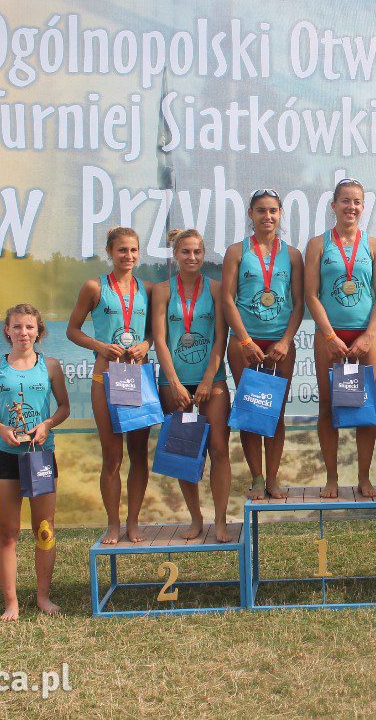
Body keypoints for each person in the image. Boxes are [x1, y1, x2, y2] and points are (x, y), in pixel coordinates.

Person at [0, 303, 70, 620]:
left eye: (29, 327)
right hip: (6, 457)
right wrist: (0, 428)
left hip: (40, 456)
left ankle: (43, 597)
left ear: (39, 331)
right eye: (17, 326)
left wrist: (47, 425)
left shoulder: (51, 366)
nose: (23, 333)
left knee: (44, 529)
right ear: (7, 330)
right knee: (8, 531)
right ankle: (11, 603)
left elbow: (64, 408)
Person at [66, 226, 153, 544]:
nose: (128, 256)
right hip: (106, 377)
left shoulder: (148, 290)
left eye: (133, 250)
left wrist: (146, 344)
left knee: (139, 455)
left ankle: (133, 521)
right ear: (109, 252)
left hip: (138, 377)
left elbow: (154, 332)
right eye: (122, 250)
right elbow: (72, 330)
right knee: (113, 457)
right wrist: (100, 346)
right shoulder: (94, 287)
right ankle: (113, 523)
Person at [305, 178, 376, 499]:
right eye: (345, 201)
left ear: (363, 207)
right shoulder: (318, 245)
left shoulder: (374, 246)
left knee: (365, 405)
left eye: (356, 202)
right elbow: (311, 295)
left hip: (365, 337)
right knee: (328, 406)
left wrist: (369, 335)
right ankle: (332, 478)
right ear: (334, 205)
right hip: (330, 336)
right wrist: (328, 335)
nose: (351, 207)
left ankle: (364, 477)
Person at [150, 229, 234, 542]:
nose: (192, 257)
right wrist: (174, 382)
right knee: (184, 452)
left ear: (203, 254)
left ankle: (221, 519)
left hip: (212, 379)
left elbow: (221, 337)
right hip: (174, 382)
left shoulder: (216, 288)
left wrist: (209, 379)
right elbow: (160, 340)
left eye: (197, 252)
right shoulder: (162, 291)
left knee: (219, 449)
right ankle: (196, 518)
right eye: (185, 252)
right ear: (175, 255)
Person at [222, 190, 305, 500]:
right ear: (251, 214)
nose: (267, 216)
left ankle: (273, 478)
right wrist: (244, 340)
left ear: (280, 213)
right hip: (244, 343)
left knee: (275, 412)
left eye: (272, 210)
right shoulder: (237, 251)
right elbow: (227, 299)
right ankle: (256, 478)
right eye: (261, 210)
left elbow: (299, 303)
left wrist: (285, 341)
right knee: (250, 409)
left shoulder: (293, 255)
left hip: (280, 345)